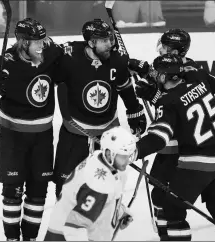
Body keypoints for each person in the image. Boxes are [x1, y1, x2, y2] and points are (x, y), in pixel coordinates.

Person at [134, 53, 215, 241]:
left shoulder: (168, 102)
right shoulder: (200, 79)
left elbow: (159, 137)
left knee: (172, 208)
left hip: (198, 165)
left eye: (156, 74)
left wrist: (133, 150)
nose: (154, 77)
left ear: (164, 77)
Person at [0, 18, 63, 241]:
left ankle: (29, 239)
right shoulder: (7, 62)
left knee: (38, 192)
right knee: (12, 193)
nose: (42, 45)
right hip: (13, 138)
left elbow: (75, 52)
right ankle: (12, 239)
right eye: (36, 42)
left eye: (43, 39)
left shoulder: (51, 51)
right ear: (21, 42)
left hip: (43, 137)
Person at [53, 18, 147, 199]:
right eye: (104, 41)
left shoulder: (117, 60)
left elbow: (125, 87)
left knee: (108, 184)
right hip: (75, 131)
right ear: (90, 43)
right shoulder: (69, 56)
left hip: (108, 134)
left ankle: (102, 222)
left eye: (110, 39)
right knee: (65, 185)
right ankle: (63, 223)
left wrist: (135, 111)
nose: (110, 44)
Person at [130, 28, 200, 240]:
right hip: (166, 147)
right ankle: (165, 237)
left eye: (167, 47)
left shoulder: (190, 72)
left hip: (179, 148)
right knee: (159, 197)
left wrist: (151, 91)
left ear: (178, 50)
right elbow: (159, 79)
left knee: (171, 205)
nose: (162, 49)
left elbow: (171, 101)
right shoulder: (172, 66)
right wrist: (144, 71)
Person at [44, 126, 137, 241]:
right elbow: (75, 227)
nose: (128, 160)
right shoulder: (97, 185)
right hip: (64, 236)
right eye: (123, 156)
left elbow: (100, 203)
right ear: (109, 153)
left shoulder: (98, 157)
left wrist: (118, 212)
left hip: (61, 229)